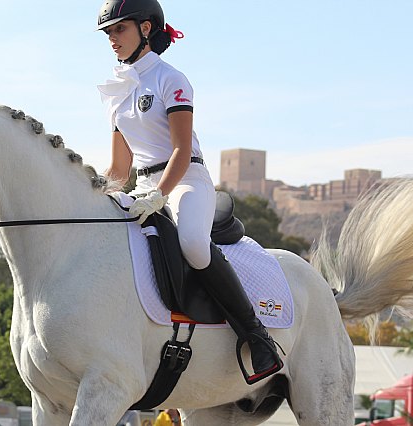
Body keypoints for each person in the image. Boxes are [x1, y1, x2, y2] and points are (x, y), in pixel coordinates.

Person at [96, 0, 283, 384]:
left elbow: (181, 149)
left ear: (146, 29)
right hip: (144, 185)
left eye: (120, 29)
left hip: (185, 181)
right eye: (109, 33)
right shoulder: (116, 91)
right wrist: (96, 193)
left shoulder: (171, 79)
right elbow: (119, 169)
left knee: (194, 245)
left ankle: (256, 335)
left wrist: (160, 195)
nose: (113, 39)